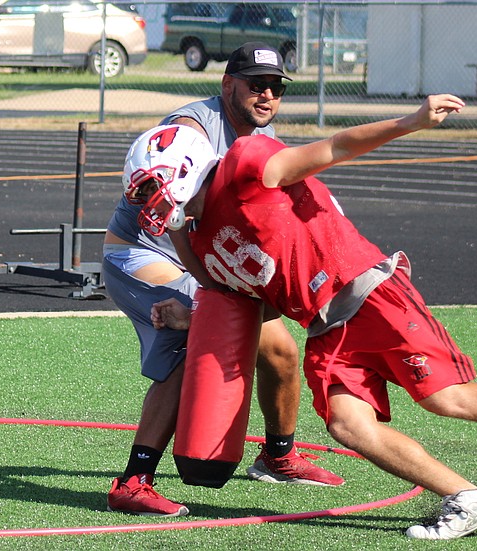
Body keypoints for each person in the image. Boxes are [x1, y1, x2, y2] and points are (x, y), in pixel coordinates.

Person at [137, 94, 477, 540]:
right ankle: (468, 498)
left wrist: (411, 121)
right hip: (325, 325)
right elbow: (255, 300)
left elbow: (334, 147)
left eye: (154, 187)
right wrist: (191, 306)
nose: (151, 201)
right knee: (349, 426)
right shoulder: (201, 239)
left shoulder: (246, 164)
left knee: (444, 397)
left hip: (365, 291)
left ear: (185, 168)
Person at [102, 42, 343, 517]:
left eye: (276, 87)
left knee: (281, 350)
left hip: (206, 258)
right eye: (256, 84)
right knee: (191, 347)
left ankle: (277, 456)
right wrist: (206, 298)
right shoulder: (192, 127)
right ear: (228, 84)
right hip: (143, 252)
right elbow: (170, 208)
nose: (267, 95)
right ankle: (133, 481)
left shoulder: (262, 135)